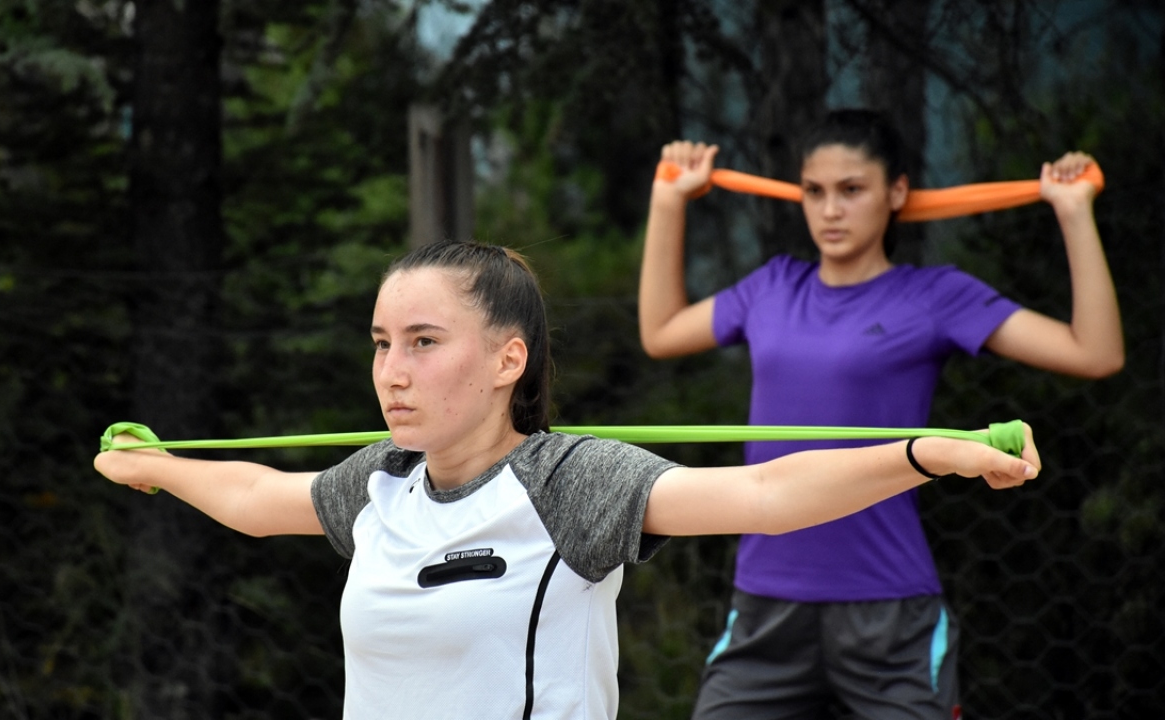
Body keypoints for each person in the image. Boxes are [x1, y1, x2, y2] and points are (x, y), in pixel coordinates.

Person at [95, 240, 1041, 720]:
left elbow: (765, 497)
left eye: (424, 343)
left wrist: (930, 450)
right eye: (383, 343)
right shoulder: (379, 483)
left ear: (509, 359)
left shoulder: (572, 481)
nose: (393, 370)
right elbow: (262, 505)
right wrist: (155, 466)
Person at [638, 110, 1122, 720]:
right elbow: (659, 332)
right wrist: (668, 199)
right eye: (814, 191)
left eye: (851, 190)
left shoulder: (935, 296)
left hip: (888, 612)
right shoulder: (772, 287)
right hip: (765, 606)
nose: (830, 210)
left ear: (897, 192)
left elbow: (1095, 352)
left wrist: (1074, 213)